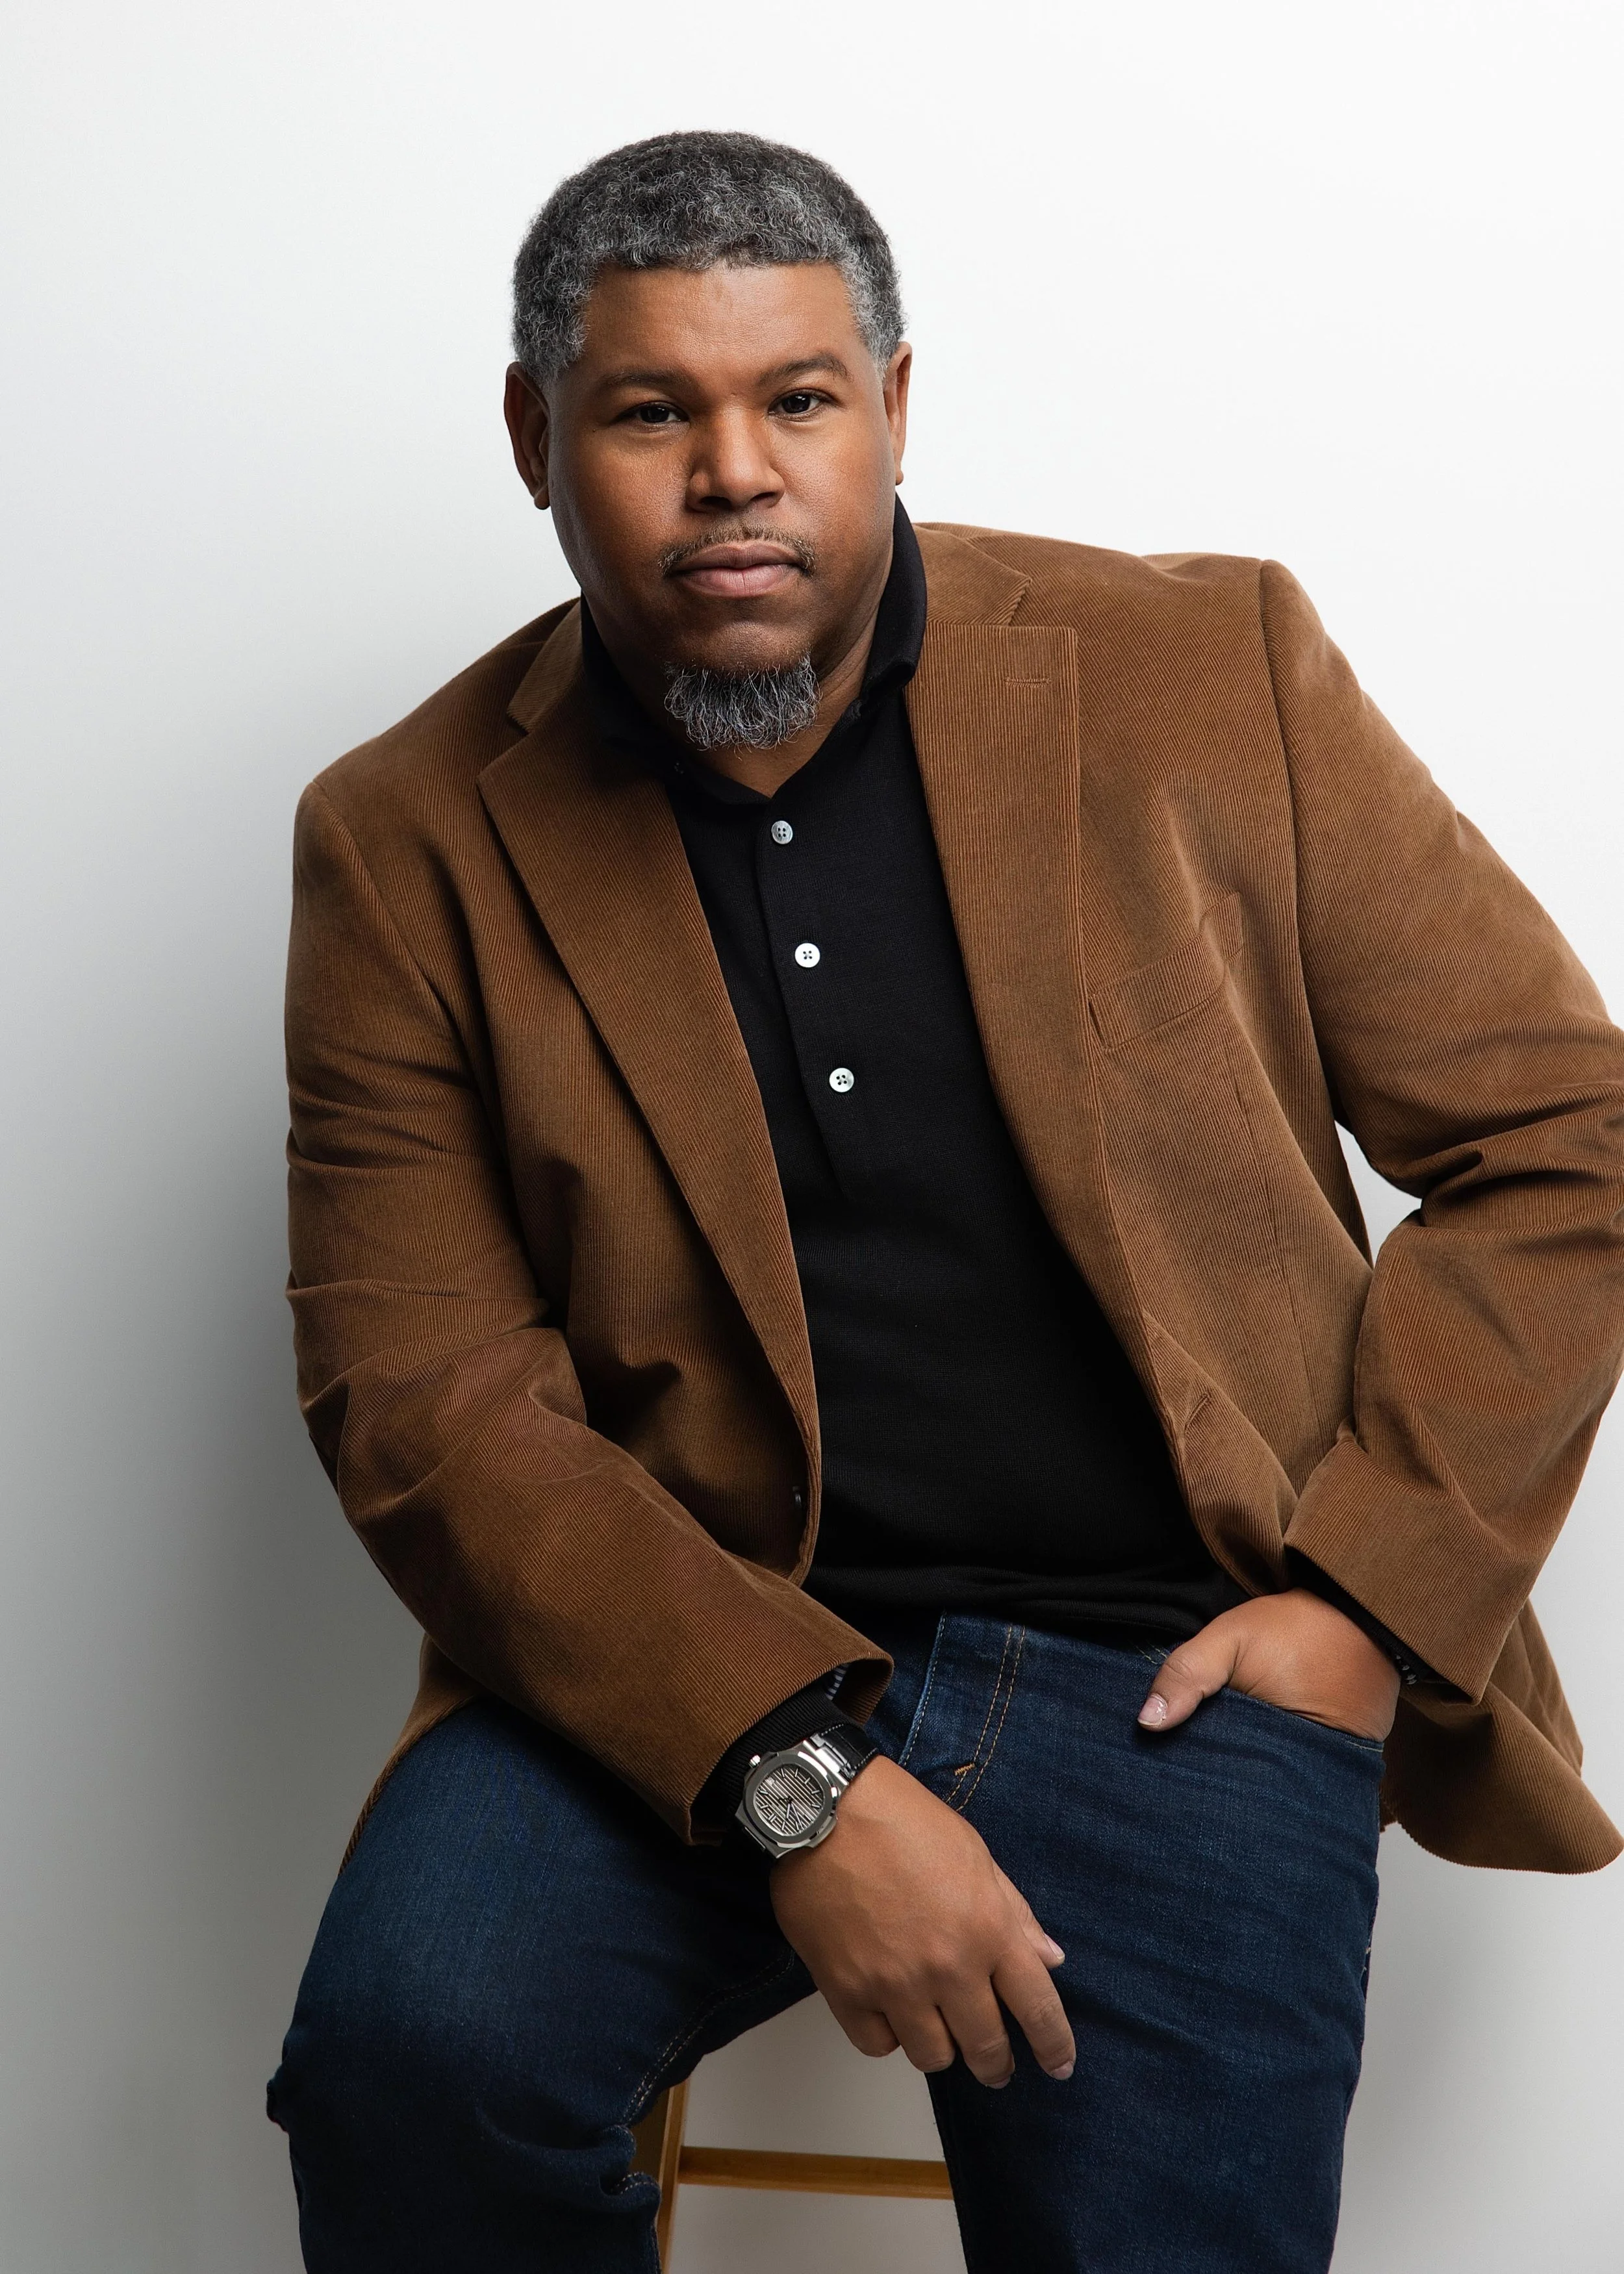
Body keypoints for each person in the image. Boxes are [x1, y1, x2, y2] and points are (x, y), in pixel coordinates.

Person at [266, 131, 1624, 2273]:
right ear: (536, 439)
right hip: (687, 1642)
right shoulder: (407, 834)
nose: (735, 470)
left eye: (797, 400)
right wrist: (788, 1776)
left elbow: (1569, 1134)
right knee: (409, 2064)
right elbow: (422, 1396)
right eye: (650, 410)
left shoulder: (1206, 671)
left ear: (893, 408)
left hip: (1181, 1658)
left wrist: (1364, 1604)